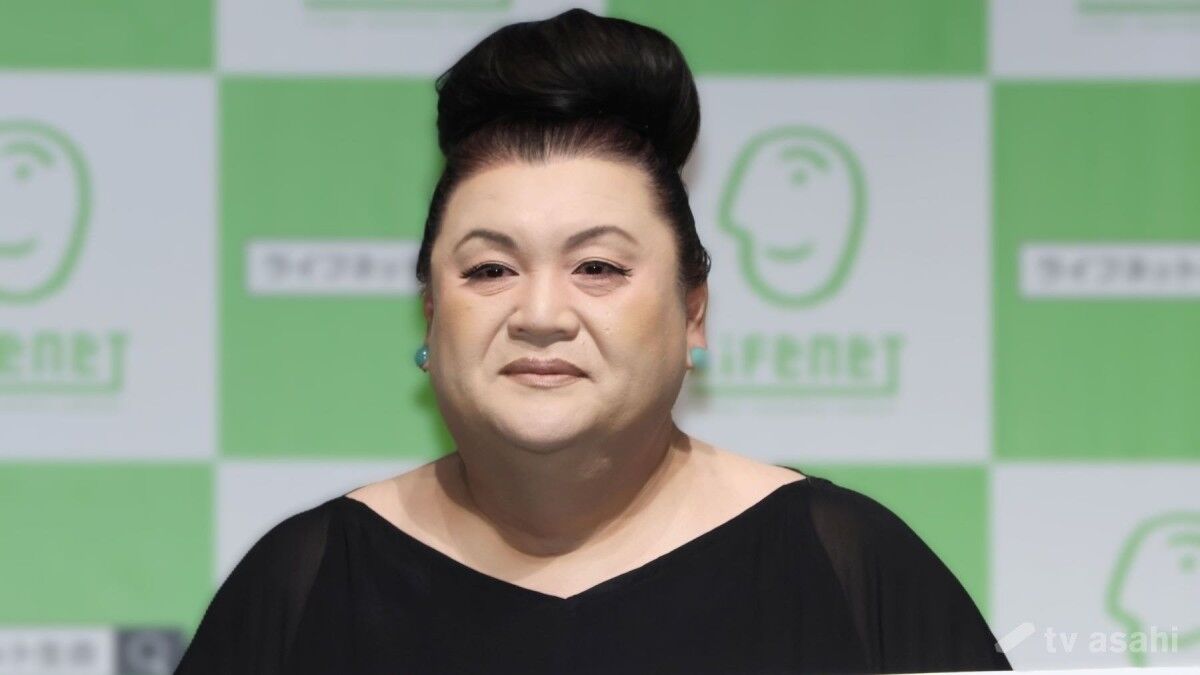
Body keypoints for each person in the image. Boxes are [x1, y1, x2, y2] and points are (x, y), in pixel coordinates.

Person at [175, 9, 1012, 675]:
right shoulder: (305, 578)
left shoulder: (848, 566)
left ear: (693, 315)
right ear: (429, 316)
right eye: (491, 269)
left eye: (599, 267)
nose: (541, 313)